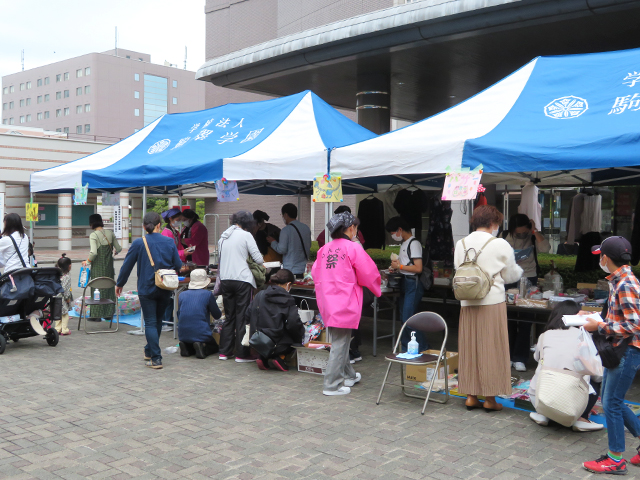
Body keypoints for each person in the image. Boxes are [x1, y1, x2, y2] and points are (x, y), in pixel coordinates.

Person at [454, 205, 523, 412]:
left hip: (467, 301)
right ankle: (491, 399)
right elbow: (511, 275)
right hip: (491, 301)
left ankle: (470, 396)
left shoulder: (461, 243)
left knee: (469, 348)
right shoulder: (500, 243)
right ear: (494, 223)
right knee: (492, 348)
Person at [581, 236, 640, 475]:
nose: (600, 259)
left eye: (600, 255)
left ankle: (615, 459)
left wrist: (600, 327)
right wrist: (597, 319)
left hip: (626, 350)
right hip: (619, 350)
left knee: (611, 403)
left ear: (607, 258)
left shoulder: (626, 283)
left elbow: (635, 324)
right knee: (611, 400)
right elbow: (621, 317)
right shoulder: (619, 280)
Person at [312, 212, 381, 396]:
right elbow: (369, 273)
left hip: (328, 301)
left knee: (339, 341)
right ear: (351, 228)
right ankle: (331, 384)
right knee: (340, 343)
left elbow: (315, 274)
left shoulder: (324, 249)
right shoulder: (353, 248)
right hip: (345, 301)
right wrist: (376, 288)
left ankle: (349, 375)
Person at [116, 212, 182, 369]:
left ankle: (156, 358)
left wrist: (120, 283)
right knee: (158, 321)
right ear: (159, 225)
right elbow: (178, 265)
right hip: (165, 287)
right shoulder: (169, 242)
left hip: (146, 288)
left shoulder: (139, 243)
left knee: (151, 322)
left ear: (144, 226)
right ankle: (149, 350)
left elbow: (127, 265)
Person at [528, 300, 603, 432]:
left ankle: (543, 415)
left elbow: (536, 358)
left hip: (540, 399)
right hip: (572, 404)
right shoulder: (584, 337)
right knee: (597, 378)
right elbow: (597, 375)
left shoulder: (544, 335)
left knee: (542, 370)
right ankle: (581, 418)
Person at [504, 213, 551, 372]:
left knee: (526, 319)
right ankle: (508, 356)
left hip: (529, 278)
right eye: (518, 233)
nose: (521, 235)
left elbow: (546, 249)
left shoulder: (532, 236)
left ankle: (520, 358)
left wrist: (534, 231)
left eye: (524, 232)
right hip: (509, 279)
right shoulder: (504, 237)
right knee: (508, 318)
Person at [218, 210, 264, 362]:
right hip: (242, 280)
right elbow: (258, 259)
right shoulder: (246, 235)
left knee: (229, 316)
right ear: (248, 223)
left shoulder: (223, 237)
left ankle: (224, 352)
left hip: (225, 280)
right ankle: (242, 354)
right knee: (242, 316)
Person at [247, 269, 304, 371]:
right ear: (288, 284)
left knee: (273, 333)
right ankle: (278, 357)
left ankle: (263, 357)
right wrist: (300, 337)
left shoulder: (260, 294)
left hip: (256, 339)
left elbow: (247, 314)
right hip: (275, 342)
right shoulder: (288, 299)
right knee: (293, 335)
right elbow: (293, 323)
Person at [385, 216, 427, 353]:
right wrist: (397, 268)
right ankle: (406, 347)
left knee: (408, 318)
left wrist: (400, 266)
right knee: (404, 317)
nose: (393, 236)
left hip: (412, 283)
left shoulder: (413, 244)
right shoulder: (405, 243)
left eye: (393, 233)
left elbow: (418, 268)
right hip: (405, 281)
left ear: (400, 230)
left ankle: (422, 346)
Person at [83, 214, 122, 322]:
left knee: (96, 288)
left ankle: (96, 315)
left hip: (98, 268)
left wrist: (87, 262)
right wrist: (115, 252)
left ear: (91, 223)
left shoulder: (94, 235)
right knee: (108, 288)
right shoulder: (110, 233)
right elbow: (119, 248)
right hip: (109, 267)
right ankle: (108, 314)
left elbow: (94, 252)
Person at [177, 269, 222, 359]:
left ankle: (186, 347)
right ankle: (203, 349)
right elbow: (217, 315)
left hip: (182, 333)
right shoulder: (207, 294)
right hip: (201, 332)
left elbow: (179, 315)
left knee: (191, 341)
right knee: (214, 346)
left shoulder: (182, 294)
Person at [267, 203, 311, 277]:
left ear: (285, 215)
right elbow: (308, 245)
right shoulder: (306, 228)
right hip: (304, 269)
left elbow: (282, 249)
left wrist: (273, 242)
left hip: (291, 270)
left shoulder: (286, 230)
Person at [54, 254, 74, 336]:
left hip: (55, 297)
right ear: (69, 266)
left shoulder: (55, 274)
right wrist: (67, 298)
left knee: (57, 314)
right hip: (62, 298)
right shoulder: (67, 277)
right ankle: (64, 329)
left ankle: (57, 329)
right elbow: (65, 290)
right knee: (65, 314)